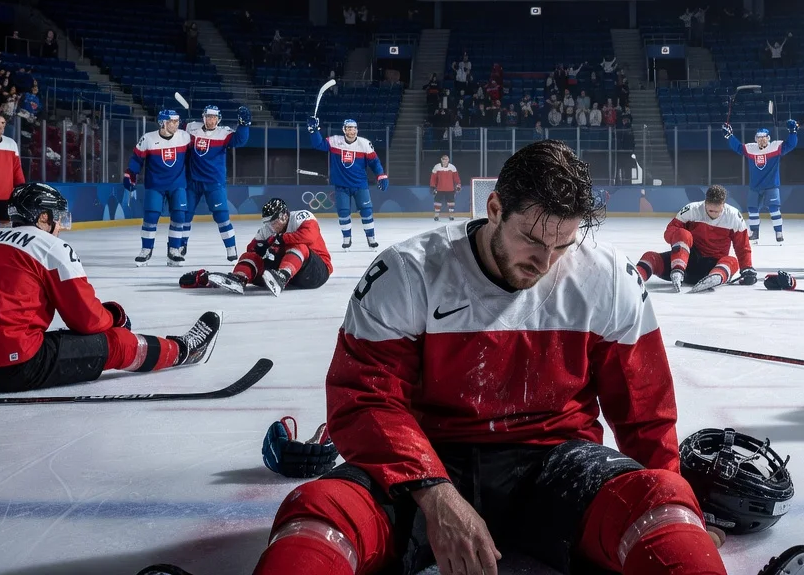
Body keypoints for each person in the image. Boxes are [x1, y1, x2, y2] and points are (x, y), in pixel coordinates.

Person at [249, 140, 765, 575]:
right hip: (427, 462)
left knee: (659, 505)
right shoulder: (407, 272)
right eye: (532, 239)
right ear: (494, 208)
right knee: (316, 513)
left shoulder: (608, 278)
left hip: (559, 464)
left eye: (563, 244)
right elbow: (363, 399)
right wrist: (435, 494)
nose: (545, 262)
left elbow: (645, 410)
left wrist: (674, 514)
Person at [0, 183, 220, 393]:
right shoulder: (49, 245)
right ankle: (184, 350)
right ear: (43, 217)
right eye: (58, 216)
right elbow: (88, 321)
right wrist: (115, 317)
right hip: (10, 367)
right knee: (115, 342)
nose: (60, 225)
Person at [182, 199, 332, 297]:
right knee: (251, 257)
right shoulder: (269, 230)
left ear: (284, 216)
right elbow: (251, 250)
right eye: (268, 222)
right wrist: (261, 248)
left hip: (316, 271)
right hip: (291, 272)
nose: (271, 226)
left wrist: (280, 239)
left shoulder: (302, 217)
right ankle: (238, 279)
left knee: (298, 246)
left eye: (273, 221)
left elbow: (309, 236)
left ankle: (282, 276)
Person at [635, 184, 756, 293]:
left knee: (731, 261)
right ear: (705, 203)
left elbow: (742, 246)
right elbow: (669, 232)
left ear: (723, 205)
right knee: (650, 256)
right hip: (686, 260)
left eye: (717, 211)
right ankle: (634, 280)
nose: (713, 214)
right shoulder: (691, 210)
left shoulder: (734, 217)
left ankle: (716, 277)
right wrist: (681, 239)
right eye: (710, 210)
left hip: (712, 265)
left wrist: (747, 268)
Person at [184, 105, 252, 263]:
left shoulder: (224, 133)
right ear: (204, 117)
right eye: (208, 117)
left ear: (218, 119)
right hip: (193, 181)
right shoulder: (191, 128)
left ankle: (231, 248)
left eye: (214, 117)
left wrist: (244, 125)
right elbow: (175, 131)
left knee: (222, 216)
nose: (211, 120)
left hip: (214, 182)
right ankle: (181, 246)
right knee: (184, 216)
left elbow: (240, 140)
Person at [306, 117, 387, 249]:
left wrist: (381, 175)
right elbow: (318, 145)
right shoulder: (335, 141)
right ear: (344, 130)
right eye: (349, 128)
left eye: (354, 128)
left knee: (367, 211)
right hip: (341, 186)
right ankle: (346, 238)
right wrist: (313, 131)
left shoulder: (365, 144)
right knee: (343, 212)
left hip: (360, 185)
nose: (352, 131)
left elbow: (374, 162)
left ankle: (371, 238)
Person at [124, 109, 191, 266]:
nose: (176, 124)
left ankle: (174, 250)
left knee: (179, 217)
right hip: (155, 185)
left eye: (177, 121)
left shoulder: (184, 137)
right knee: (151, 217)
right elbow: (136, 160)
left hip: (178, 184)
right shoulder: (148, 138)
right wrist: (130, 174)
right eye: (172, 122)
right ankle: (146, 250)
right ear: (163, 123)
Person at [724, 119, 799, 243]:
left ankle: (779, 232)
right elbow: (738, 147)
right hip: (755, 187)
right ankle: (754, 233)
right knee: (752, 209)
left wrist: (793, 132)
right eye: (759, 138)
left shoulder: (775, 147)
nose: (761, 140)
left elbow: (790, 145)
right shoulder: (751, 148)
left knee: (774, 209)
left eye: (763, 137)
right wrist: (730, 136)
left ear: (768, 138)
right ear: (755, 139)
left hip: (771, 186)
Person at [430, 153, 462, 222]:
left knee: (451, 202)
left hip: (450, 189)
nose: (445, 161)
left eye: (446, 159)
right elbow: (433, 178)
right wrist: (432, 186)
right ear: (441, 160)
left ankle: (451, 216)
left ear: (448, 160)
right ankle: (436, 216)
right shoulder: (437, 167)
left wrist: (458, 185)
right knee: (437, 202)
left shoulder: (452, 167)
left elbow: (456, 178)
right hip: (439, 188)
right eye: (444, 159)